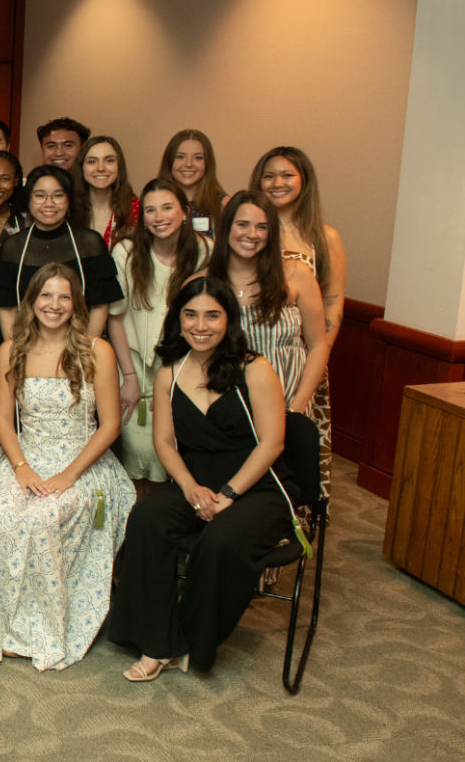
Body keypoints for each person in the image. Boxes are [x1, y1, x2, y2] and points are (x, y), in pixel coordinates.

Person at [107, 277, 302, 679]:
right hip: (198, 483)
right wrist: (190, 487)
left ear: (229, 321)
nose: (201, 325)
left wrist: (229, 493)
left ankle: (194, 642)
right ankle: (158, 642)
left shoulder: (255, 369)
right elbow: (164, 442)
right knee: (146, 519)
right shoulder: (169, 373)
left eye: (213, 315)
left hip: (259, 486)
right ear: (178, 319)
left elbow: (273, 444)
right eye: (191, 314)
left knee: (220, 541)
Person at [0, 264, 135, 669]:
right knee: (6, 513)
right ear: (31, 301)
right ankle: (2, 623)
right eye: (46, 295)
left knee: (44, 517)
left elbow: (111, 425)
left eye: (64, 296)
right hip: (25, 455)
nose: (55, 305)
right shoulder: (11, 349)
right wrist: (21, 467)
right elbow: (1, 420)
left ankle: (43, 627)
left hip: (82, 460)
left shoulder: (96, 350)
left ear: (75, 304)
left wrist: (68, 475)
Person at [250, 147, 344, 498]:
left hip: (303, 359)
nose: (277, 183)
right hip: (256, 352)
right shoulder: (251, 230)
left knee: (296, 440)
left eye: (287, 175)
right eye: (269, 176)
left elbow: (333, 302)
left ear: (304, 181)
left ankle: (297, 520)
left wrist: (316, 360)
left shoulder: (324, 236)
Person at [107, 179, 211, 494]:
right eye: (150, 210)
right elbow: (115, 317)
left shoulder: (206, 250)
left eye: (167, 207)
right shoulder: (126, 251)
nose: (159, 216)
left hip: (187, 367)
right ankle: (138, 530)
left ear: (184, 211)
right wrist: (128, 376)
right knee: (139, 453)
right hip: (135, 365)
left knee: (183, 451)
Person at [206, 191, 329, 420]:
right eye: (242, 224)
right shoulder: (205, 282)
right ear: (226, 227)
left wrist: (298, 407)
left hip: (289, 402)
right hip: (227, 407)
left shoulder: (296, 274)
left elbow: (318, 346)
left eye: (262, 227)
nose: (252, 234)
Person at [0, 165, 122, 340]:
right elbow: (7, 308)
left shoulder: (90, 242)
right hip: (27, 345)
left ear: (69, 200)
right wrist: (14, 351)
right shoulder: (13, 247)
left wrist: (86, 350)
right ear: (28, 200)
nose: (49, 203)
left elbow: (100, 305)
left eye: (58, 196)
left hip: (78, 344)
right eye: (40, 196)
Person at [157, 129, 226, 236]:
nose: (189, 164)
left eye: (198, 158)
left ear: (207, 163)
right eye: (180, 157)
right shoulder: (153, 202)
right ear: (169, 161)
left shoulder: (223, 205)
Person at [73, 136, 139, 246]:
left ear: (119, 166)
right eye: (92, 161)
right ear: (81, 167)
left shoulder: (136, 209)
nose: (101, 168)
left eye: (109, 160)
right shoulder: (69, 210)